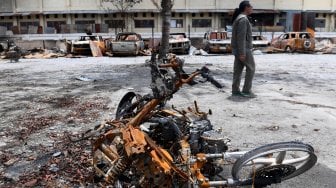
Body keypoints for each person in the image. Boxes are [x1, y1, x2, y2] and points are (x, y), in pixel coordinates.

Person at [231, 1, 256, 97]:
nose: (252, 8)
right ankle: (246, 90)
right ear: (246, 7)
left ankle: (235, 90)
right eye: (251, 7)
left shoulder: (239, 18)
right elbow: (241, 37)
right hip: (244, 49)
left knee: (238, 70)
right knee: (251, 69)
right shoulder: (243, 19)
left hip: (239, 49)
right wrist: (242, 53)